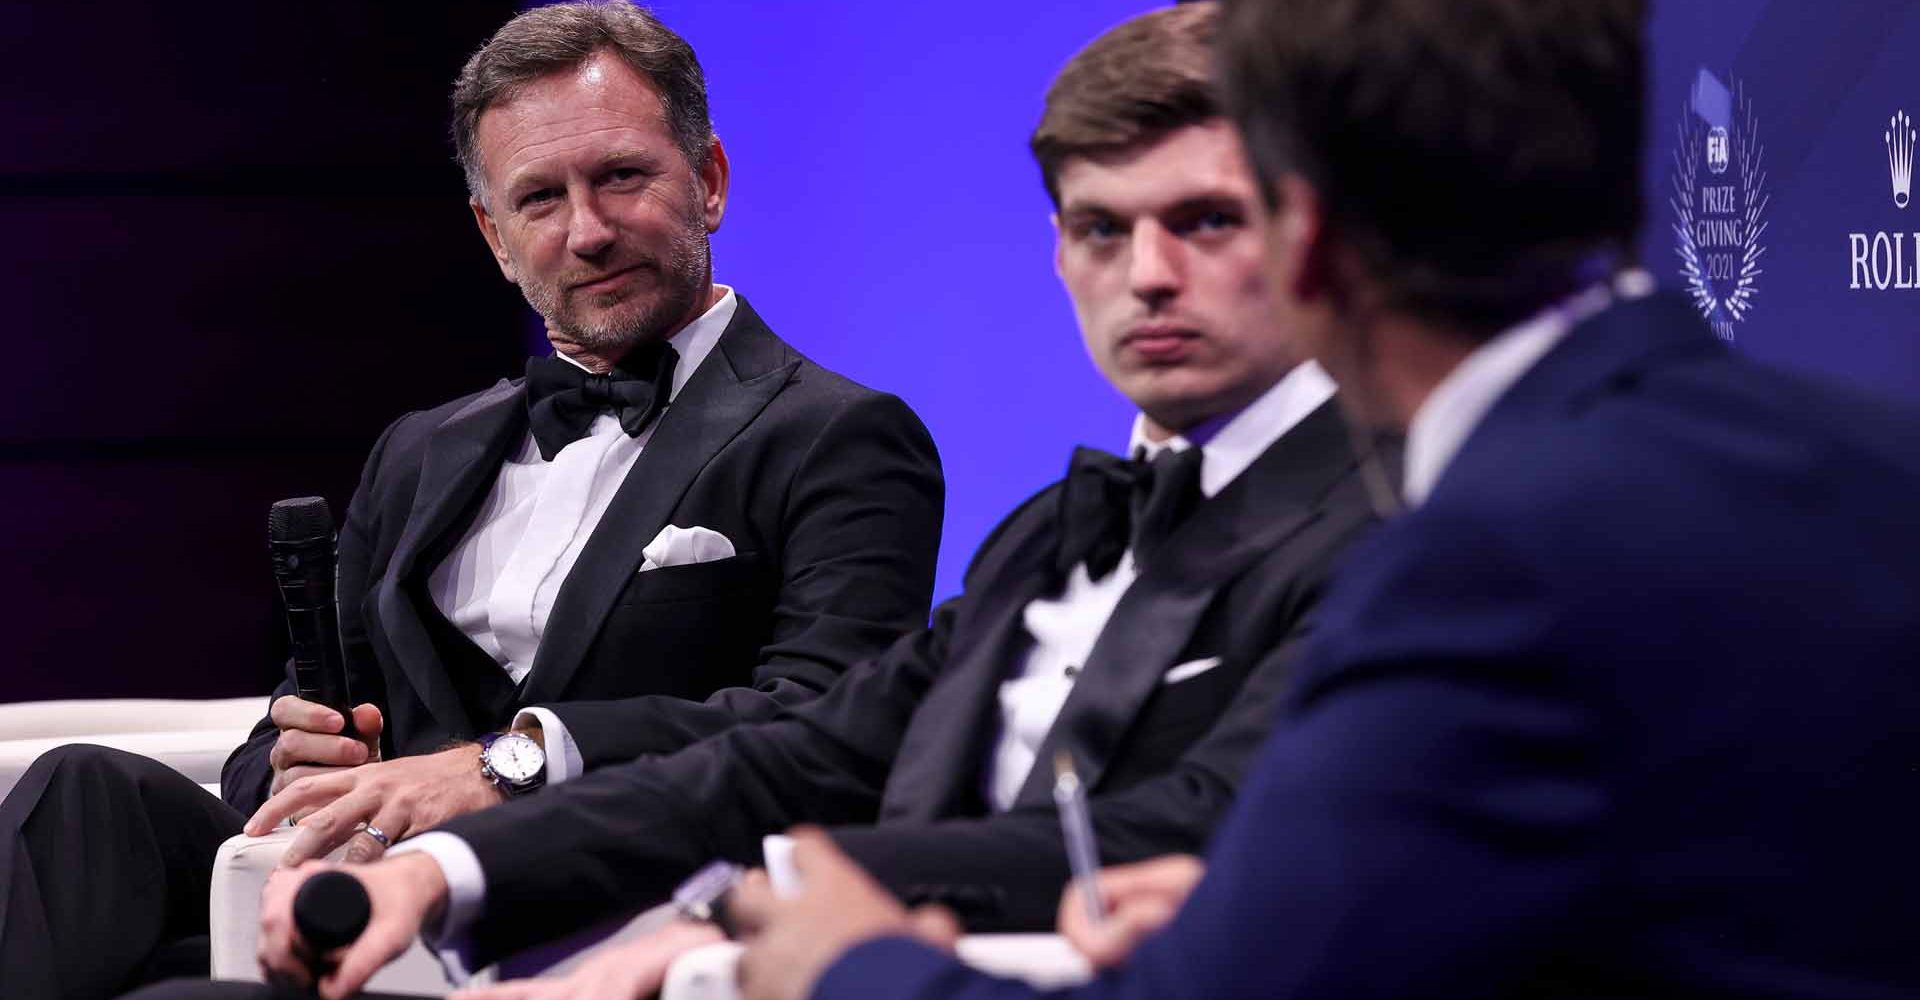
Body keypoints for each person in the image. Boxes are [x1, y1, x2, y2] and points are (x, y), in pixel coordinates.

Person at [129, 6, 1386, 999]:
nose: (1149, 277)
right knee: (91, 805)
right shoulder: (1052, 533)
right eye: (1103, 230)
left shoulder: (1399, 527)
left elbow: (1197, 814)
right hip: (526, 912)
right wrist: (448, 867)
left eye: (1205, 221)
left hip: (835, 954)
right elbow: (813, 751)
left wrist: (727, 910)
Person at [715, 1, 1920, 998]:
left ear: (1303, 243)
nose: (1151, 273)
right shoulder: (1877, 453)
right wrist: (1254, 916)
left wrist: (850, 966)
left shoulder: (1476, 564)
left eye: (1213, 215)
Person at [0, 4, 944, 998]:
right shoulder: (422, 449)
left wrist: (517, 761)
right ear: (495, 237)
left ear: (708, 180)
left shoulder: (839, 434)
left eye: (621, 176)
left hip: (598, 906)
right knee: (82, 791)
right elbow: (290, 727)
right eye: (540, 198)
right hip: (344, 902)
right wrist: (289, 763)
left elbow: (823, 725)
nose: (587, 231)